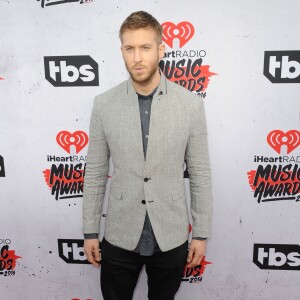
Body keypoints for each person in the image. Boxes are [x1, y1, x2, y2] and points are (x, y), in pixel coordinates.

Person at [83, 11, 212, 300]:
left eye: (145, 47)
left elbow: (200, 174)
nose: (137, 57)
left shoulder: (190, 105)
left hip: (171, 235)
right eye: (130, 48)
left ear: (161, 49)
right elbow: (95, 172)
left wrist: (201, 234)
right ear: (122, 51)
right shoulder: (104, 105)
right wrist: (90, 229)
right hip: (119, 234)